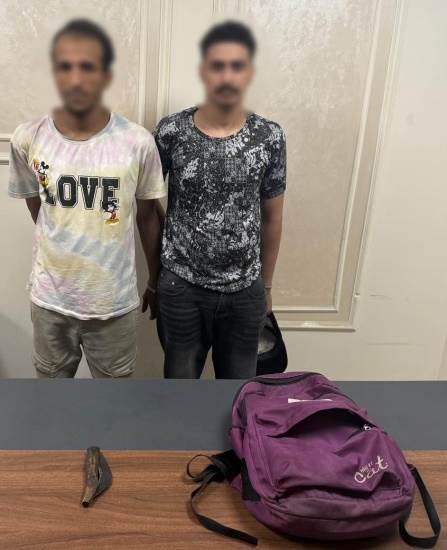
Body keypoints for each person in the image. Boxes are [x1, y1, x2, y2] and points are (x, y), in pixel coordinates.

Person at [8, 19, 165, 378]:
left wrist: (155, 280)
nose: (76, 79)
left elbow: (148, 216)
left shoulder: (137, 142)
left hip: (113, 305)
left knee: (113, 402)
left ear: (106, 75)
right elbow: (40, 207)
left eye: (88, 67)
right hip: (50, 302)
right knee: (51, 399)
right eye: (65, 67)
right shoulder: (27, 138)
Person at [153, 21, 286, 379]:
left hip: (245, 291)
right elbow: (146, 202)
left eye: (237, 66)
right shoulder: (171, 131)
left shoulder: (269, 137)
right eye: (217, 65)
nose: (227, 76)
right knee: (179, 393)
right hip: (182, 288)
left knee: (239, 394)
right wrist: (157, 275)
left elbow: (272, 217)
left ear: (249, 73)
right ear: (203, 71)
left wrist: (266, 286)